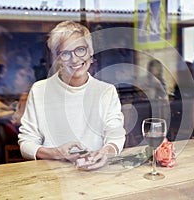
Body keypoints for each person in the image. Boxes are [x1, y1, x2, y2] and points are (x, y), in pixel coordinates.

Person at [18, 21, 126, 170]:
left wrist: (105, 153)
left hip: (94, 173)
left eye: (80, 49)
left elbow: (116, 137)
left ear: (90, 51)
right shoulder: (39, 91)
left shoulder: (106, 92)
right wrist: (56, 153)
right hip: (51, 178)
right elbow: (26, 144)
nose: (74, 59)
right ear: (57, 57)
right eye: (65, 53)